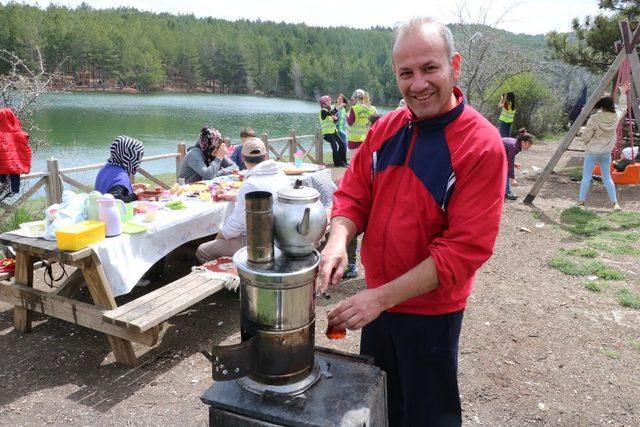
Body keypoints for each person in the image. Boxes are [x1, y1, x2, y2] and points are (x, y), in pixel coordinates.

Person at [317, 17, 506, 426]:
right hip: (377, 303)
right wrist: (337, 241)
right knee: (379, 404)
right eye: (406, 73)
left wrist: (380, 297)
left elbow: (463, 251)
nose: (417, 83)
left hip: (430, 312)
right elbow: (353, 194)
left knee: (426, 414)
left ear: (453, 65)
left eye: (429, 68)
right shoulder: (386, 128)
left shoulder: (480, 144)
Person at [196, 138, 289, 263]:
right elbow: (263, 197)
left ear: (243, 157)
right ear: (266, 156)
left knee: (202, 250)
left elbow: (236, 226)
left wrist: (222, 233)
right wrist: (235, 196)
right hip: (279, 235)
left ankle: (237, 275)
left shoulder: (250, 184)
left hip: (259, 242)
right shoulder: (280, 175)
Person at [578, 83, 629, 210]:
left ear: (601, 106)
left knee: (586, 177)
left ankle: (581, 203)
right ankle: (615, 203)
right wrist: (623, 93)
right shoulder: (615, 116)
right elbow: (623, 108)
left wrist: (585, 140)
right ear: (612, 105)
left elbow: (586, 136)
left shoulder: (594, 118)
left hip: (592, 152)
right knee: (607, 178)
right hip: (606, 152)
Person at [94, 136, 144, 202]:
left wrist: (130, 188)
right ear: (129, 157)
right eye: (138, 157)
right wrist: (135, 195)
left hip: (98, 209)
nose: (139, 161)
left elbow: (110, 187)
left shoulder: (106, 167)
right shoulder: (121, 176)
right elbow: (115, 200)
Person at [503, 128, 534, 201]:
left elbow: (508, 159)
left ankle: (505, 191)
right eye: (529, 144)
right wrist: (513, 179)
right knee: (505, 170)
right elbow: (509, 164)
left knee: (505, 168)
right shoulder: (514, 147)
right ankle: (506, 193)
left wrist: (513, 164)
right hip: (494, 153)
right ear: (523, 142)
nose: (530, 146)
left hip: (498, 154)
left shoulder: (516, 145)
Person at [319, 95, 348, 167]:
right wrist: (339, 107)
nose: (330, 101)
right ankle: (338, 163)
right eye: (328, 100)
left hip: (333, 131)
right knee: (334, 146)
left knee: (342, 143)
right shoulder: (322, 111)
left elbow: (334, 120)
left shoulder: (329, 111)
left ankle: (343, 161)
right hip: (326, 133)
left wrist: (335, 119)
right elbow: (327, 114)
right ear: (324, 103)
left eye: (329, 100)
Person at [347, 89, 374, 155]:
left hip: (353, 138)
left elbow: (350, 122)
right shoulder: (367, 109)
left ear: (356, 98)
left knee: (353, 161)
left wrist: (347, 117)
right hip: (363, 138)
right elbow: (369, 122)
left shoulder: (354, 108)